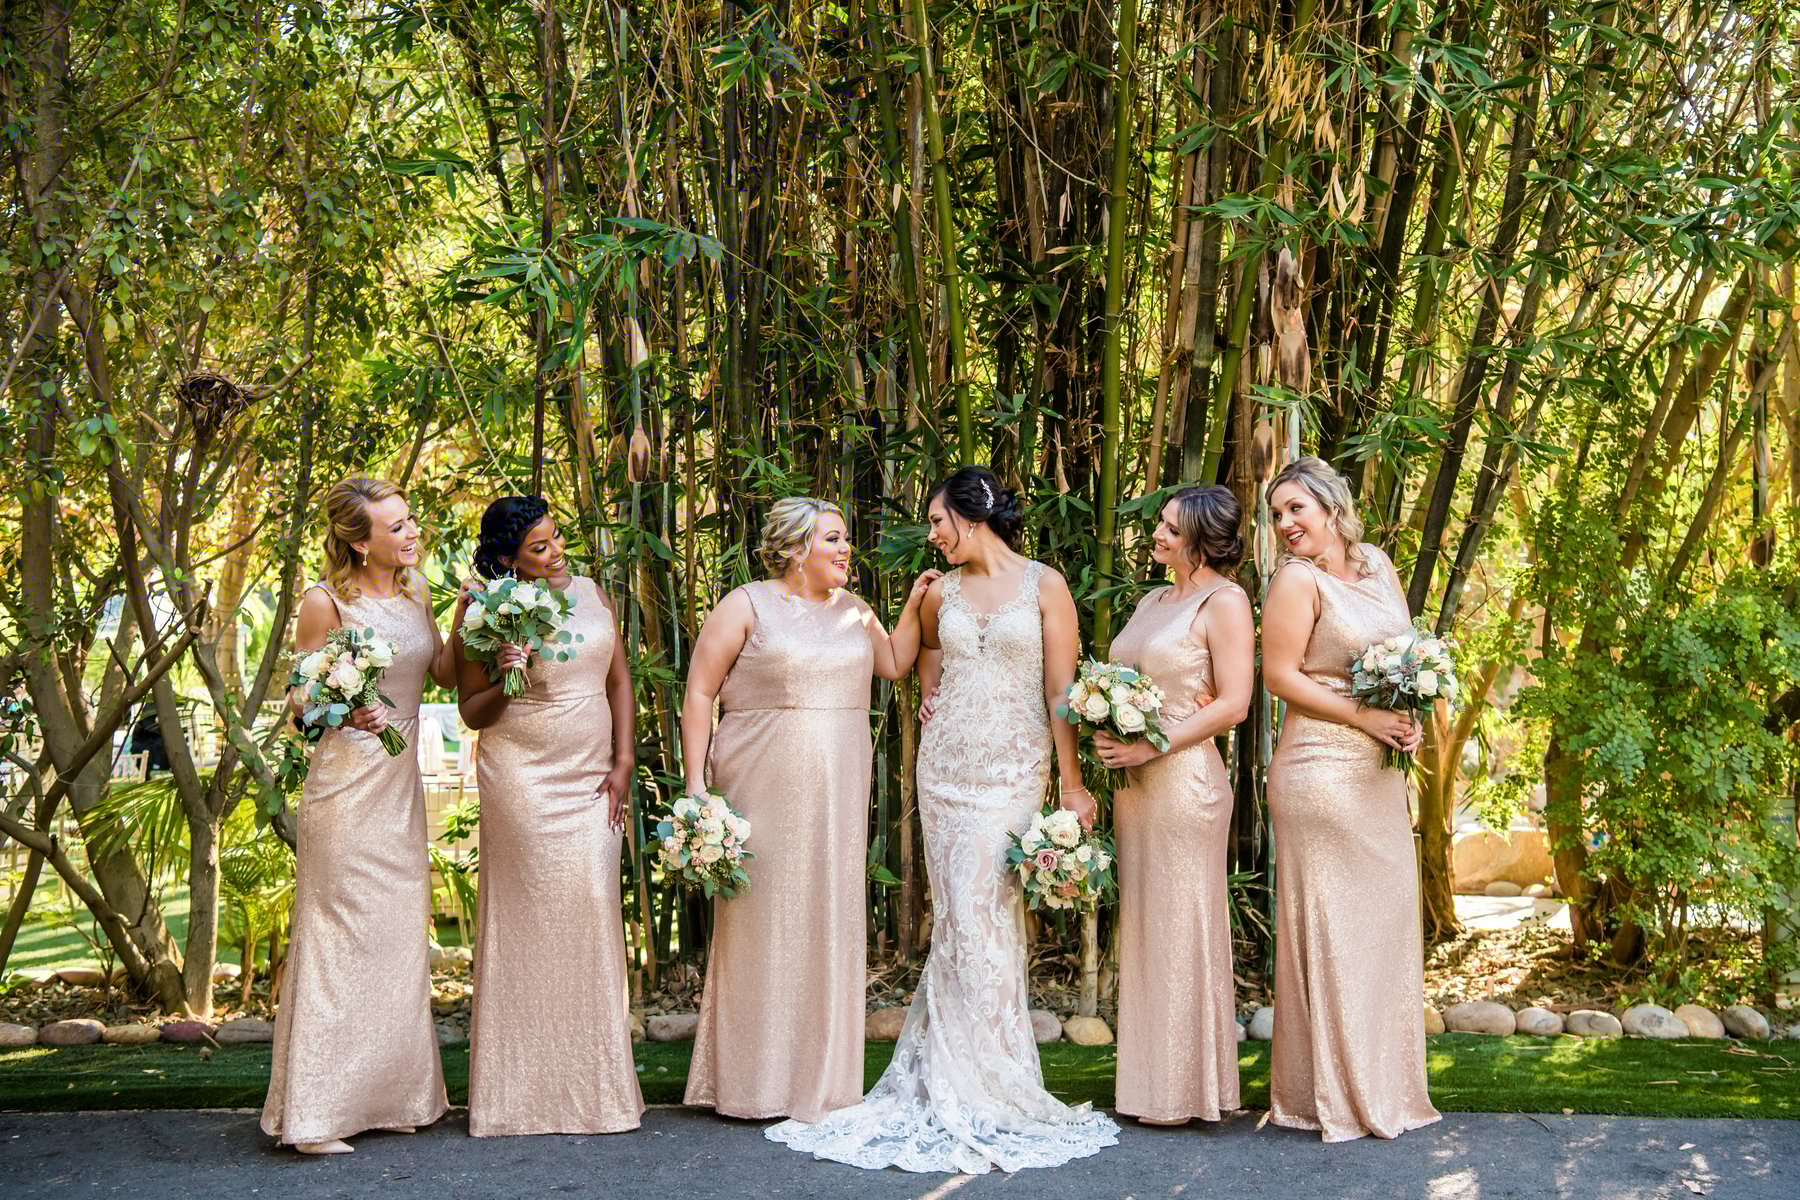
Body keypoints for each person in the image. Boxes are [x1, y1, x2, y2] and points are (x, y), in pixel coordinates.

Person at [766, 466, 1119, 1173]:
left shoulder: (1046, 586)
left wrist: (1072, 784)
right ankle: (955, 1079)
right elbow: (924, 651)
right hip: (947, 768)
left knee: (986, 915)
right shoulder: (938, 590)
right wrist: (932, 692)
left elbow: (1061, 691)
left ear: (972, 516)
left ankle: (994, 1081)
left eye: (936, 521)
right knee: (958, 916)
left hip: (1014, 768)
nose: (930, 535)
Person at [684, 497, 930, 1122]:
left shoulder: (855, 610)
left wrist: (913, 605)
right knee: (762, 916)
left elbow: (894, 664)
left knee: (827, 909)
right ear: (795, 550)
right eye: (833, 539)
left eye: (845, 539)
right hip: (760, 776)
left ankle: (823, 1082)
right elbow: (700, 691)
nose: (846, 549)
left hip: (839, 781)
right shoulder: (746, 605)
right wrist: (694, 784)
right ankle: (751, 1082)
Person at [262, 477, 463, 1154]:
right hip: (346, 786)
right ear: (358, 541)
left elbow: (441, 673)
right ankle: (316, 1115)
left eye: (410, 521)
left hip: (399, 787)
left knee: (395, 935)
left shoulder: (417, 591)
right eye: (397, 527)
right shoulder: (325, 602)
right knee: (340, 937)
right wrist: (346, 709)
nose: (412, 533)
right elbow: (299, 700)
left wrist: (466, 614)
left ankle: (388, 1097)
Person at [1259, 456, 1440, 1141]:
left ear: (1332, 508)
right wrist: (1366, 717)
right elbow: (1280, 676)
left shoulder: (1378, 565)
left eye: (1296, 509)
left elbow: (1404, 657)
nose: (1285, 524)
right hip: (1319, 770)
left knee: (1382, 927)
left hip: (1378, 772)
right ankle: (1328, 1094)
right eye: (1277, 514)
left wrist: (1407, 715)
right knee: (1333, 932)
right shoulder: (1294, 581)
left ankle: (1383, 1086)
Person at [457, 496, 643, 1137]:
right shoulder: (482, 611)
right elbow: (472, 711)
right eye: (539, 547)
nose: (557, 551)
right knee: (526, 919)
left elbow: (618, 681)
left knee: (591, 904)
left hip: (591, 777)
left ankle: (596, 1092)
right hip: (522, 779)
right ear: (509, 559)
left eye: (557, 537)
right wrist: (506, 671)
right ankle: (515, 1097)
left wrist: (623, 760)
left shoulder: (591, 592)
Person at [1098, 485, 1254, 1125]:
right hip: (1136, 789)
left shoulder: (1226, 602)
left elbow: (1234, 702)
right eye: (1159, 524)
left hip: (1185, 784)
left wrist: (1150, 744)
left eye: (1169, 527)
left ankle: (1189, 1091)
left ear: (1201, 541)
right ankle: (1148, 1088)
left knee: (1182, 927)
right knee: (1146, 929)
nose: (1157, 534)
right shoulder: (1151, 601)